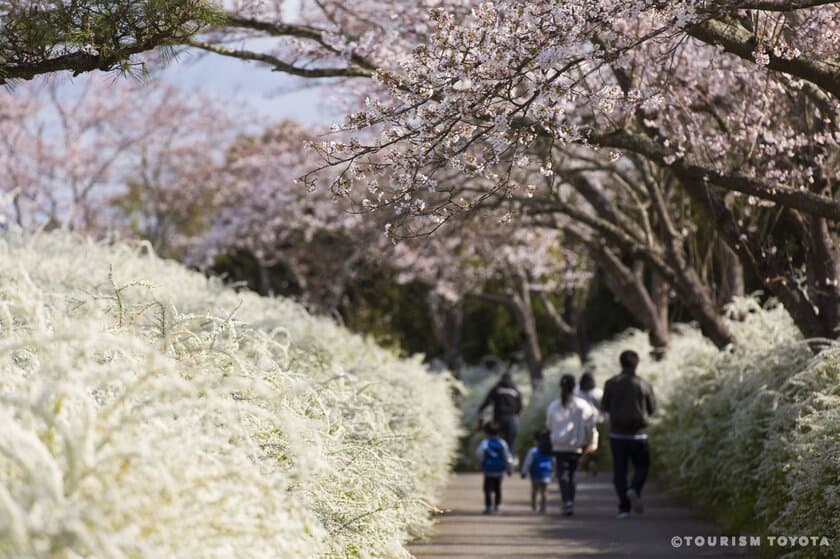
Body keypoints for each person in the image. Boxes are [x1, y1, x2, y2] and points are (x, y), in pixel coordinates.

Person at [601, 350, 657, 519]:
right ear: (637, 363)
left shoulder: (611, 383)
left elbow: (604, 407)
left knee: (620, 471)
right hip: (638, 434)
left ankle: (623, 508)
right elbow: (652, 408)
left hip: (617, 434)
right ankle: (635, 488)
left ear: (621, 363)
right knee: (642, 466)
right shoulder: (643, 384)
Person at [545, 374, 598, 516]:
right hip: (576, 446)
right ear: (575, 386)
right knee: (573, 474)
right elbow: (590, 425)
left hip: (558, 445)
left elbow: (549, 425)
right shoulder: (582, 405)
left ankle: (566, 501)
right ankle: (570, 501)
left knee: (562, 475)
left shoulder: (554, 406)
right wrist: (591, 442)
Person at [477, 371, 522, 452]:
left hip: (498, 418)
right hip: (511, 418)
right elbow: (520, 405)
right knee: (510, 441)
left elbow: (487, 401)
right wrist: (516, 414)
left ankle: (494, 458)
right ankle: (510, 459)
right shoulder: (515, 390)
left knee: (495, 439)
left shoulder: (496, 389)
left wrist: (480, 410)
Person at [476, 421, 514, 514]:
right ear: (499, 432)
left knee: (487, 489)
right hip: (499, 469)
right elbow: (507, 456)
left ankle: (488, 507)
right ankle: (497, 507)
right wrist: (509, 468)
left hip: (488, 469)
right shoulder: (502, 442)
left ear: (486, 432)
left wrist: (481, 462)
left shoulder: (485, 442)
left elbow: (479, 453)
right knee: (498, 488)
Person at [576, 369, 604, 476]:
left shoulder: (577, 391)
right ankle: (592, 461)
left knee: (584, 444)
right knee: (595, 444)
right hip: (597, 421)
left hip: (581, 421)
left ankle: (585, 464)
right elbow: (603, 406)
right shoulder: (598, 392)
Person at [520, 428, 554, 513]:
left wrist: (524, 472)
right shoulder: (550, 450)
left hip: (535, 473)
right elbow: (554, 462)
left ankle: (534, 505)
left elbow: (527, 462)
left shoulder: (533, 450)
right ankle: (544, 507)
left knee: (534, 490)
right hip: (546, 473)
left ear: (535, 440)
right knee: (544, 491)